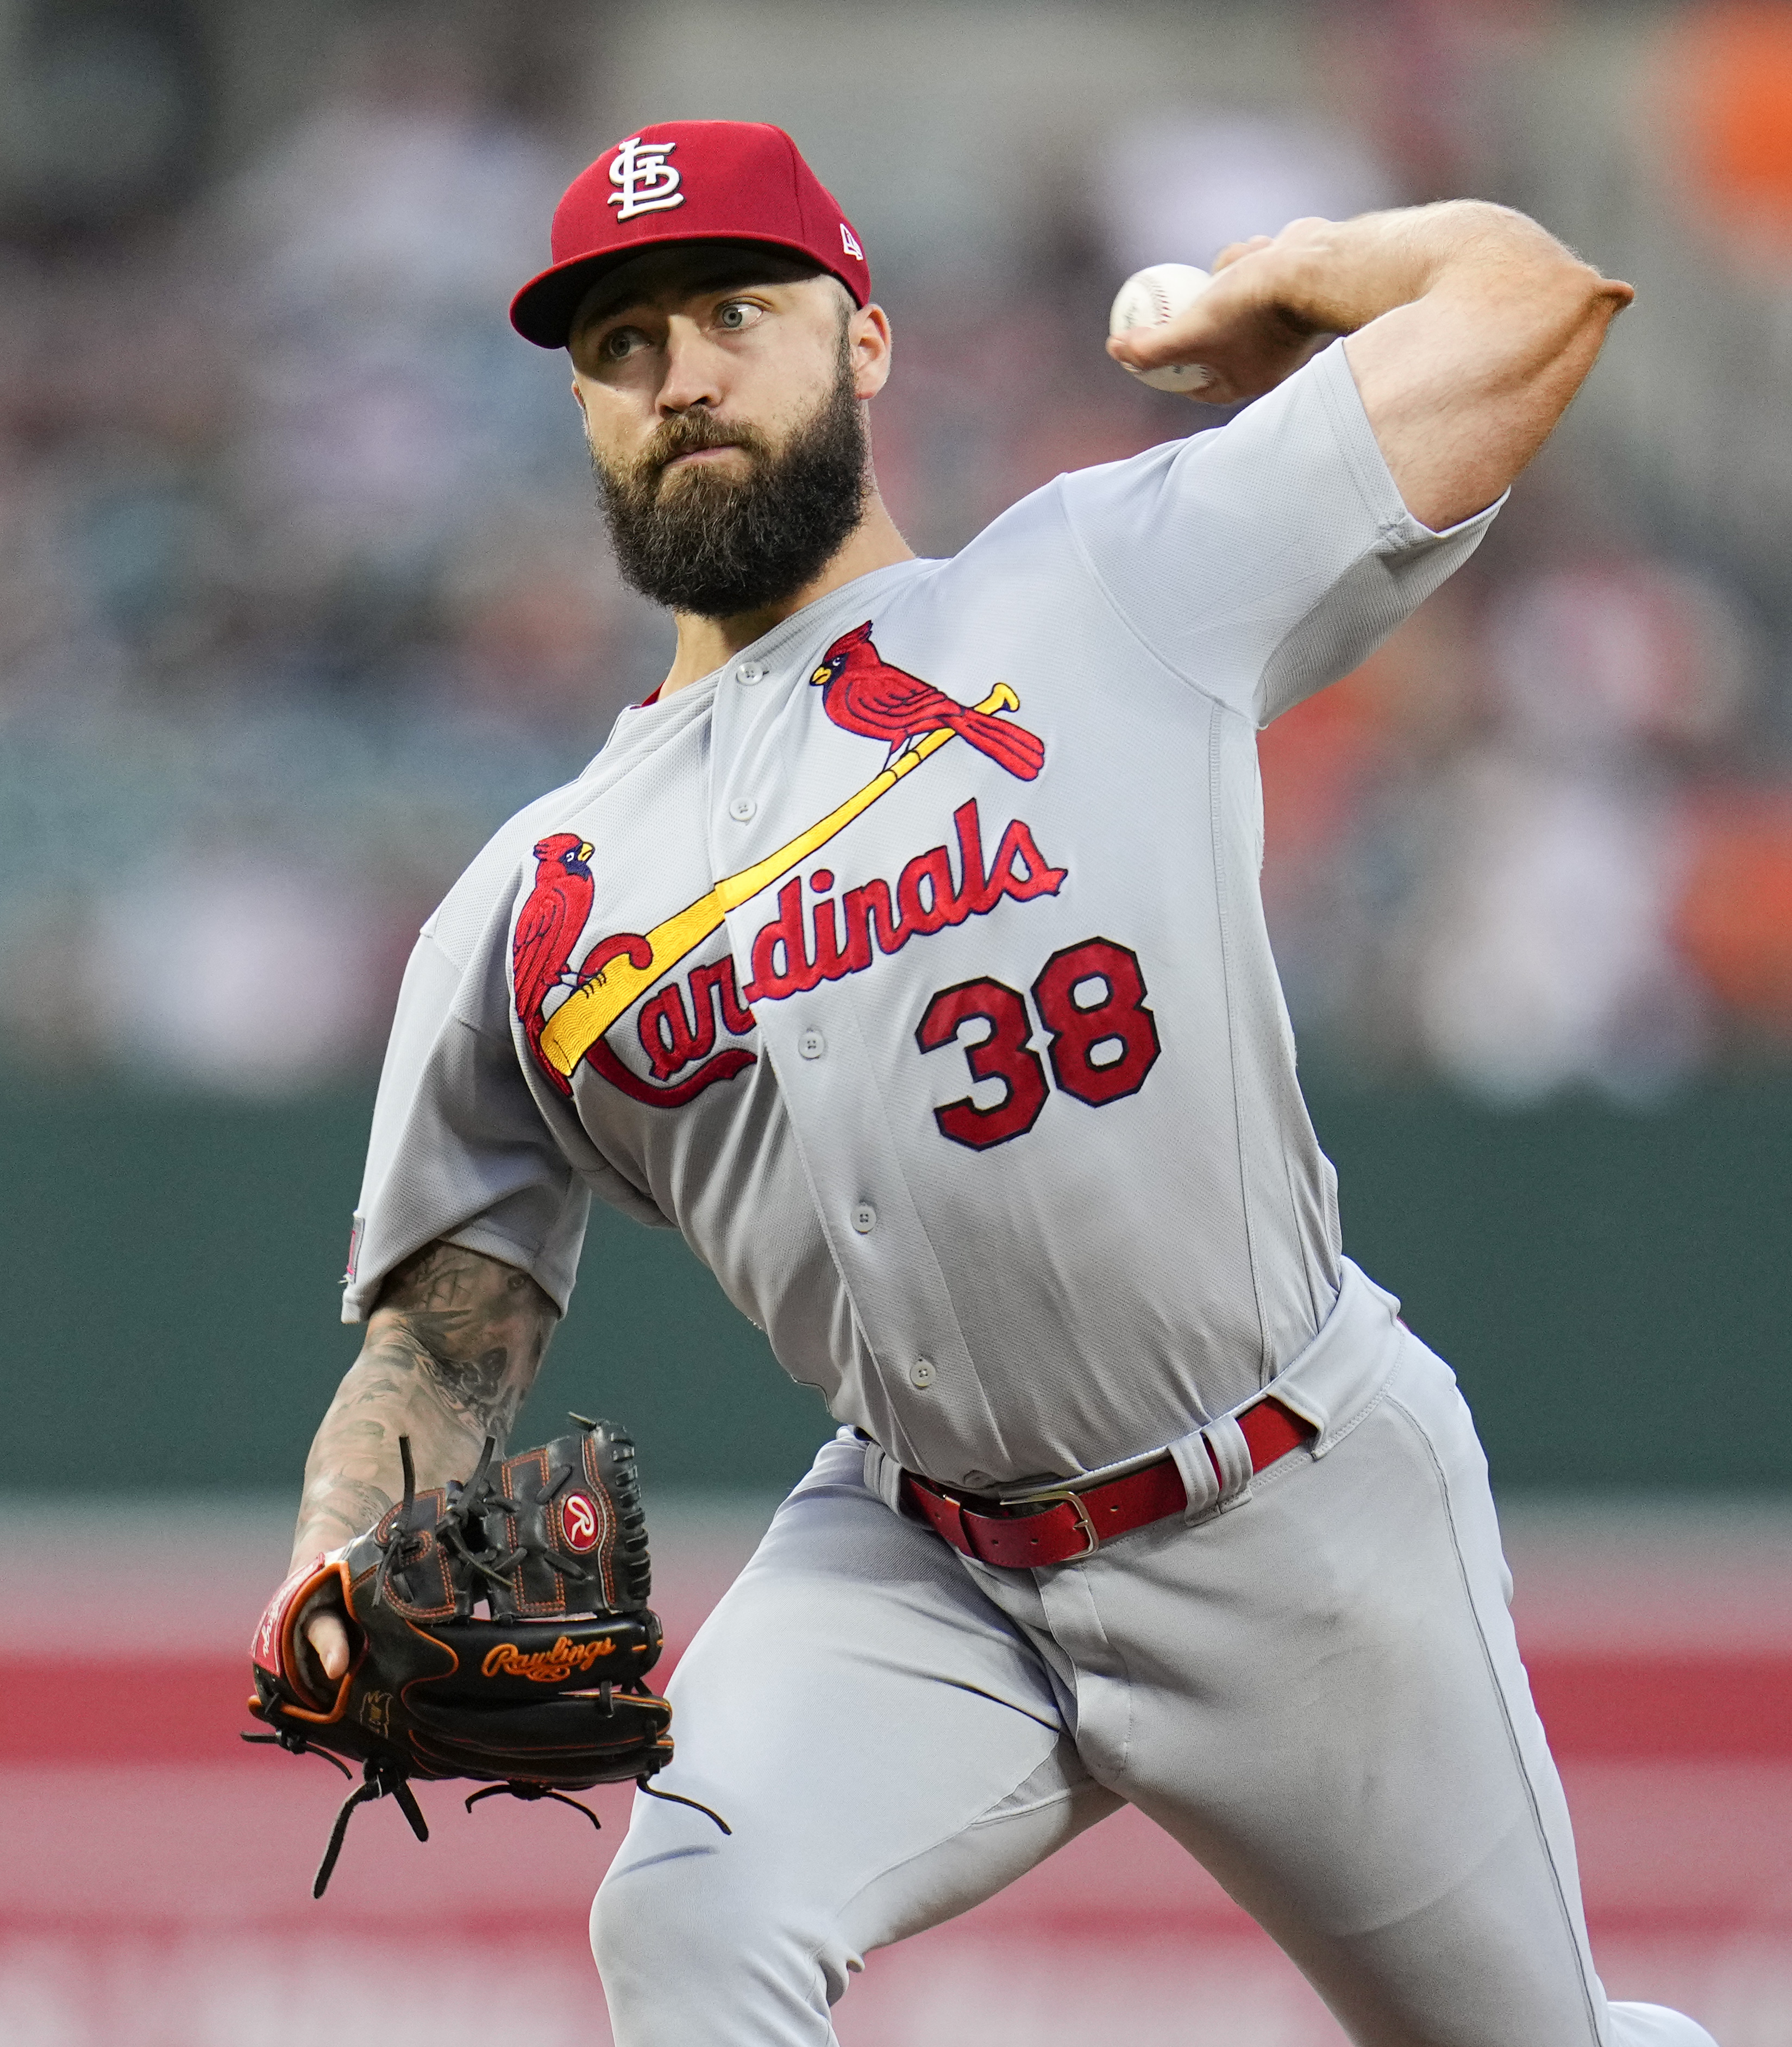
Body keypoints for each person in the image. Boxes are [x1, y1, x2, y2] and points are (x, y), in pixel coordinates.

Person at [275, 118, 1708, 2047]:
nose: (679, 371)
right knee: (690, 1923)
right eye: (617, 344)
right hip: (924, 1555)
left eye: (731, 309)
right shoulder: (538, 899)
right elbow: (443, 1347)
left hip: (1285, 1499)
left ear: (861, 339)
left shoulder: (1105, 581)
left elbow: (1531, 304)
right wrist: (342, 1553)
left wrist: (1276, 280)